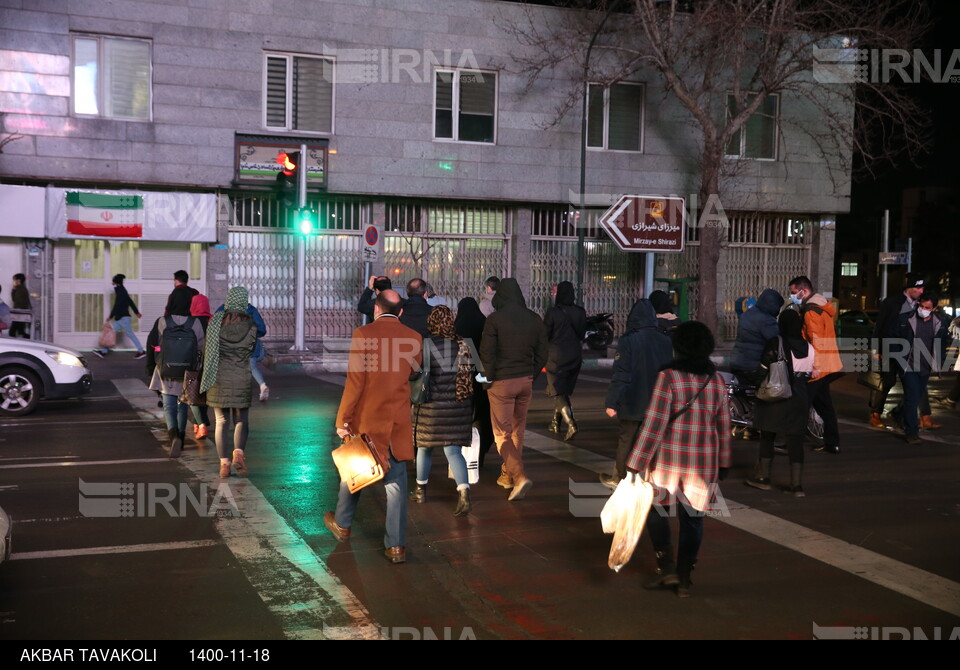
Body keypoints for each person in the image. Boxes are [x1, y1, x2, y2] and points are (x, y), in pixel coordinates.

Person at [626, 321, 731, 598]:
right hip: (704, 464)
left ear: (679, 347)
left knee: (656, 512)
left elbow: (654, 424)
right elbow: (724, 427)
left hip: (667, 465)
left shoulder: (669, 378)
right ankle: (685, 577)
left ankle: (666, 567)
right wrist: (725, 461)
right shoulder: (716, 380)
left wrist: (635, 462)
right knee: (694, 520)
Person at [325, 290, 421, 565]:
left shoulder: (363, 335)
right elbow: (414, 372)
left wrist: (343, 421)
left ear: (376, 309)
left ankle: (342, 524)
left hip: (368, 420)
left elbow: (355, 382)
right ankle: (396, 547)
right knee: (397, 483)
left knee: (354, 470)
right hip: (397, 422)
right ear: (400, 312)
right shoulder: (414, 338)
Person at [478, 278, 548, 501]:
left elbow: (487, 354)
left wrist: (487, 379)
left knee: (502, 434)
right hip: (525, 381)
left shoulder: (494, 320)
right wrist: (532, 374)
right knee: (518, 430)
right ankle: (508, 476)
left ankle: (518, 476)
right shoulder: (534, 318)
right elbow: (542, 353)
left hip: (501, 382)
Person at [600, 299, 673, 490]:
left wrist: (612, 402)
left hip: (633, 400)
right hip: (658, 401)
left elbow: (622, 374)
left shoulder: (628, 340)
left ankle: (620, 478)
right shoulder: (665, 340)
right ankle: (649, 480)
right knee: (652, 441)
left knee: (627, 439)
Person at [409, 305, 474, 516]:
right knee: (453, 451)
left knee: (424, 447)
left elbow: (416, 372)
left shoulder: (426, 345)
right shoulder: (464, 344)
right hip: (458, 406)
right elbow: (475, 372)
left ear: (432, 322)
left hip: (431, 408)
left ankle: (420, 491)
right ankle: (464, 493)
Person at [745, 310, 813, 496]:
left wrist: (756, 386)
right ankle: (796, 486)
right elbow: (811, 374)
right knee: (795, 440)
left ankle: (762, 478)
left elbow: (763, 368)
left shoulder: (776, 343)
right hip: (799, 397)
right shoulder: (809, 347)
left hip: (777, 395)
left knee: (767, 435)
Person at [200, 286, 257, 477]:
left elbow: (208, 350)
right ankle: (239, 453)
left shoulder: (216, 322)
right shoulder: (251, 324)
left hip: (218, 377)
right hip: (241, 376)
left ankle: (224, 464)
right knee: (241, 420)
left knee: (221, 421)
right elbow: (251, 349)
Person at [146, 293, 205, 457]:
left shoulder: (162, 321)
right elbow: (201, 346)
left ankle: (173, 437)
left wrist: (153, 363)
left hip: (166, 370)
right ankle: (181, 436)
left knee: (169, 407)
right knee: (183, 406)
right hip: (187, 372)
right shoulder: (196, 323)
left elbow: (153, 344)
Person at [788, 276, 843, 455]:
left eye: (794, 293)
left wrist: (815, 366)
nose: (792, 297)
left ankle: (791, 444)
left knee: (800, 405)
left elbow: (816, 341)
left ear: (804, 291)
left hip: (817, 367)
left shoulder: (811, 312)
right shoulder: (823, 307)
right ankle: (832, 443)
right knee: (825, 406)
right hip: (828, 364)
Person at [868, 274, 927, 428]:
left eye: (922, 288)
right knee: (887, 381)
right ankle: (875, 414)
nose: (921, 291)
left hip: (911, 350)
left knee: (914, 384)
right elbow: (879, 326)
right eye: (918, 288)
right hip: (889, 347)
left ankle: (900, 413)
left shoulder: (919, 305)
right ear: (909, 288)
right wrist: (876, 349)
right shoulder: (892, 302)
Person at [896, 293, 950, 445]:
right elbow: (895, 337)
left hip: (926, 367)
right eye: (921, 306)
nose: (923, 309)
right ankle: (911, 432)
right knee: (912, 398)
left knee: (915, 396)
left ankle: (898, 413)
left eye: (927, 307)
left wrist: (940, 361)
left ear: (934, 308)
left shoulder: (940, 322)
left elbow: (944, 342)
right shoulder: (907, 319)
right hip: (909, 365)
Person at [543, 280, 587, 440]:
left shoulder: (553, 312)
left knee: (558, 391)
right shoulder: (580, 311)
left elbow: (544, 334)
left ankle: (571, 424)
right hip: (575, 356)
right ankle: (555, 423)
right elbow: (582, 334)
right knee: (562, 391)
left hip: (556, 358)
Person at [454, 297, 494, 467]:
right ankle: (481, 452)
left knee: (464, 415)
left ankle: (464, 453)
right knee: (483, 413)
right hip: (482, 376)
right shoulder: (484, 322)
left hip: (463, 377)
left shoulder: (458, 326)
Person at [214, 298, 270, 402]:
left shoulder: (223, 308)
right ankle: (262, 385)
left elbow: (214, 326)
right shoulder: (251, 309)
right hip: (249, 344)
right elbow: (262, 329)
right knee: (251, 366)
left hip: (229, 346)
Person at [730, 289, 784, 387]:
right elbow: (777, 340)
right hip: (754, 366)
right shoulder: (767, 320)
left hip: (737, 362)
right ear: (775, 306)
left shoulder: (747, 314)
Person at [94, 274, 146, 359]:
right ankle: (103, 351)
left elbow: (117, 305)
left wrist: (111, 316)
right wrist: (136, 312)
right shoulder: (122, 290)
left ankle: (141, 351)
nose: (112, 283)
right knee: (110, 333)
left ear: (116, 282)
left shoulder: (120, 290)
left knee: (130, 334)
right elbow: (130, 301)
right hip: (120, 319)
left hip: (123, 319)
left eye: (113, 281)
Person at [188, 293, 213, 441]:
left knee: (192, 394)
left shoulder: (191, 322)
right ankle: (198, 423)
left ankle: (201, 424)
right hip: (210, 362)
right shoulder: (213, 321)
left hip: (194, 362)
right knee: (204, 394)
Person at [9, 273, 30, 338]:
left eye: (14, 280)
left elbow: (17, 302)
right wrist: (13, 290)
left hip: (19, 314)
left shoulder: (21, 290)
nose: (13, 281)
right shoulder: (20, 289)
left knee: (13, 332)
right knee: (19, 332)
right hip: (20, 314)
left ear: (19, 280)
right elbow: (15, 300)